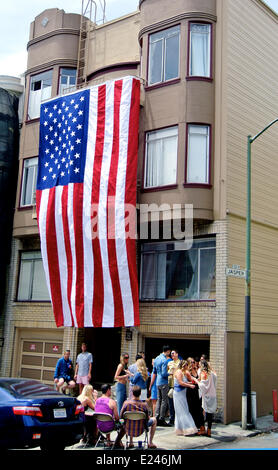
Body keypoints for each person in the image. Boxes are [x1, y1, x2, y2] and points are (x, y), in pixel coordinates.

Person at [94, 383, 126, 448]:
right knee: (124, 424)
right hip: (110, 426)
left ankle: (108, 440)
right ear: (108, 390)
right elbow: (117, 418)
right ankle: (117, 441)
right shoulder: (112, 402)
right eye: (110, 390)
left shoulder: (96, 401)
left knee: (106, 418)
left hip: (100, 426)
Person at [192, 359, 217, 437]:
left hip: (207, 395)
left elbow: (203, 386)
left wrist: (196, 381)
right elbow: (215, 379)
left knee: (202, 411)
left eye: (199, 364)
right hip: (213, 394)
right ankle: (209, 430)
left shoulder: (203, 373)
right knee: (210, 414)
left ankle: (203, 429)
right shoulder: (212, 373)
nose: (198, 365)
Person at [173, 360, 198, 436]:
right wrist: (190, 385)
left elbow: (184, 382)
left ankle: (181, 429)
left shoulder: (182, 372)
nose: (188, 367)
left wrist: (191, 383)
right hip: (178, 394)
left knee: (183, 410)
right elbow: (180, 382)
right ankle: (187, 428)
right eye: (187, 365)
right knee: (183, 410)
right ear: (184, 366)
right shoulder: (179, 372)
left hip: (182, 394)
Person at [149, 345, 171, 426]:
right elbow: (164, 373)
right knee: (164, 400)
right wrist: (171, 373)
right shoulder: (164, 360)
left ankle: (156, 416)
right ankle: (161, 418)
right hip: (164, 381)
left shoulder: (157, 358)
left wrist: (151, 384)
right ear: (168, 351)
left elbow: (154, 371)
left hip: (157, 382)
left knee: (159, 400)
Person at [186, 358, 206, 435]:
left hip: (197, 391)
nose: (193, 363)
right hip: (190, 392)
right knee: (192, 409)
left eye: (194, 362)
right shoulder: (188, 372)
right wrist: (195, 381)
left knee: (199, 409)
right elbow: (189, 381)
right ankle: (194, 427)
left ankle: (201, 426)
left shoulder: (197, 370)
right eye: (191, 362)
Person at [167, 349, 180, 425]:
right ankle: (172, 418)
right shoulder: (169, 363)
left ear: (177, 354)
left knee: (177, 403)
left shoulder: (180, 362)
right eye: (171, 354)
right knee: (171, 403)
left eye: (173, 353)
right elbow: (167, 371)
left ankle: (177, 419)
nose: (172, 355)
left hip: (177, 385)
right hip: (170, 384)